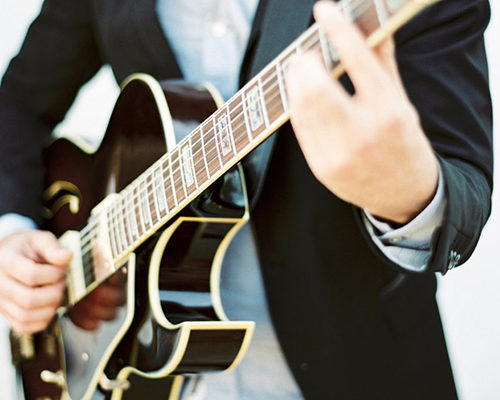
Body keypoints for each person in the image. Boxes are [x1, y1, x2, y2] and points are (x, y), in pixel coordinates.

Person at [0, 0, 492, 399]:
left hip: (354, 371)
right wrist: (12, 230)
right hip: (141, 375)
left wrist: (406, 195)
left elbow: (464, 185)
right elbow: (18, 105)